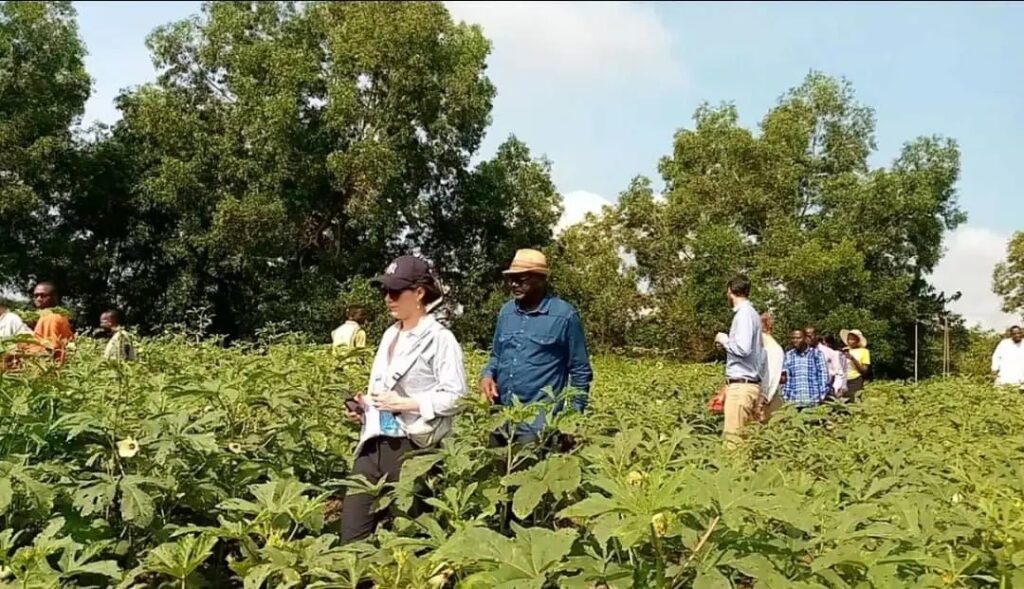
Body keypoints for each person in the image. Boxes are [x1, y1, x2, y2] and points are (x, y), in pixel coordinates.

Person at [340, 255, 466, 543]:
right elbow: (383, 390)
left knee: (408, 537)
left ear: (419, 293)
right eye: (385, 291)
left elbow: (456, 396)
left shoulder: (440, 339)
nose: (388, 298)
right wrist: (365, 407)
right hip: (373, 443)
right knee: (352, 536)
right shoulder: (390, 334)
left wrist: (407, 403)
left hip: (410, 449)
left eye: (395, 292)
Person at [480, 249, 593, 447]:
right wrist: (487, 375)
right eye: (511, 279)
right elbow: (496, 356)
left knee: (529, 467)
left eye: (521, 279)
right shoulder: (506, 312)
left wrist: (573, 420)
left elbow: (580, 370)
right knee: (494, 467)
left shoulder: (565, 316)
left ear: (541, 280)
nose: (514, 284)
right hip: (501, 419)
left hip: (537, 424)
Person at [714, 275, 765, 446]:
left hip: (741, 387)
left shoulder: (744, 315)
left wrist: (724, 340)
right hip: (749, 384)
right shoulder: (752, 314)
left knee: (733, 444)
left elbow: (743, 349)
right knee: (744, 443)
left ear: (730, 291)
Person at [781, 329, 830, 409]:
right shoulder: (789, 355)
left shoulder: (816, 354)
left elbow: (823, 376)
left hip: (812, 401)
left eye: (798, 338)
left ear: (805, 338)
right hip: (794, 402)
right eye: (793, 338)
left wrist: (822, 396)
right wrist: (785, 396)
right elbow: (786, 378)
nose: (795, 341)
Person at [31, 282, 75, 364]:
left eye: (43, 295)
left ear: (54, 297)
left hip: (49, 366)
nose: (39, 299)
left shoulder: (51, 317)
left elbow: (50, 349)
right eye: (36, 296)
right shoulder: (55, 315)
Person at [758, 312, 785, 421]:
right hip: (770, 395)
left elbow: (771, 374)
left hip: (764, 398)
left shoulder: (770, 348)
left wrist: (764, 396)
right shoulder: (773, 346)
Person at [807, 326, 846, 399]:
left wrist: (836, 388)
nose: (808, 338)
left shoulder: (829, 352)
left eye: (810, 336)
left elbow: (839, 372)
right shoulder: (802, 354)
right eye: (805, 336)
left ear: (816, 335)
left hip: (827, 390)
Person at [840, 329, 871, 401]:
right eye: (849, 339)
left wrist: (853, 359)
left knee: (854, 401)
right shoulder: (844, 350)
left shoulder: (864, 351)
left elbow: (864, 370)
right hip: (843, 380)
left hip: (855, 380)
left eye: (852, 339)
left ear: (858, 340)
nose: (850, 341)